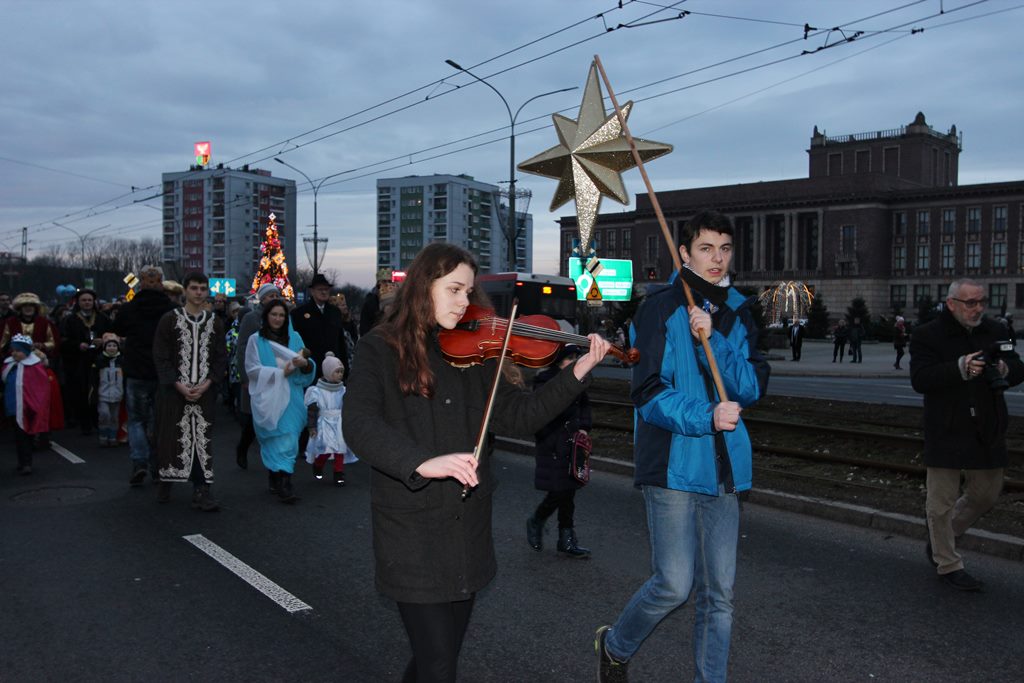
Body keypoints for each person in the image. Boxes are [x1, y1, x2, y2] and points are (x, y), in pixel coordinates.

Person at [343, 242, 611, 683]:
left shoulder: (476, 352)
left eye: (468, 292)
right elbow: (359, 424)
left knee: (436, 659)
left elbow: (520, 415)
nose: (463, 301)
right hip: (411, 532)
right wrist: (423, 462)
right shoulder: (381, 348)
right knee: (438, 664)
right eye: (453, 289)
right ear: (423, 287)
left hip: (466, 530)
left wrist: (577, 372)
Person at [595, 210, 769, 683]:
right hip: (672, 463)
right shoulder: (660, 307)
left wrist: (716, 340)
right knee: (673, 584)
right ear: (685, 253)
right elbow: (648, 393)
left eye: (725, 248)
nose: (717, 258)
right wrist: (706, 416)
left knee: (720, 595)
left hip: (724, 468)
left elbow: (751, 387)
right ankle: (615, 645)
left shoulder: (738, 310)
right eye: (706, 248)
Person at [910, 278, 1024, 592]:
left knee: (986, 494)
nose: (978, 308)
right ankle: (948, 562)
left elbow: (1018, 365)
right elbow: (921, 378)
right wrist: (960, 368)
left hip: (987, 426)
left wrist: (1005, 370)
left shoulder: (996, 330)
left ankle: (942, 536)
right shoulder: (927, 334)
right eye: (970, 303)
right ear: (951, 304)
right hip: (946, 427)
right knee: (940, 503)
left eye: (981, 302)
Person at [152, 273, 226, 510]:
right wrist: (177, 384)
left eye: (203, 288)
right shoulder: (169, 320)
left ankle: (201, 489)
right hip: (174, 392)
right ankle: (166, 479)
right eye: (194, 288)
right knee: (170, 435)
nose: (199, 292)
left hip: (204, 392)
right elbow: (161, 356)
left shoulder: (215, 322)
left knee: (202, 439)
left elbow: (220, 357)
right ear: (185, 290)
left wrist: (208, 383)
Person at [111, 265, 177, 485]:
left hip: (136, 371)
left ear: (140, 283)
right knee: (159, 421)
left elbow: (118, 329)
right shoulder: (171, 309)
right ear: (161, 282)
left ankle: (139, 462)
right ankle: (157, 465)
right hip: (162, 372)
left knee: (137, 420)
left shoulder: (130, 308)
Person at [525, 344, 593, 558]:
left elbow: (584, 406)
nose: (573, 361)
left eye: (576, 357)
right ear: (558, 360)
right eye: (569, 358)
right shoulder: (545, 381)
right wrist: (552, 440)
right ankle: (538, 521)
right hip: (553, 444)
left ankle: (566, 538)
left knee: (569, 490)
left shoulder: (577, 378)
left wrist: (584, 427)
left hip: (573, 444)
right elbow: (539, 414)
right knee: (560, 491)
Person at [245, 298, 315, 503]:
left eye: (282, 315)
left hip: (292, 397)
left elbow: (307, 364)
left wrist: (305, 365)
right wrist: (279, 373)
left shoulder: (295, 337)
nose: (277, 318)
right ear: (266, 316)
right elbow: (252, 369)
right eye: (274, 314)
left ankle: (285, 482)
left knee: (289, 438)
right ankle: (275, 474)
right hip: (267, 397)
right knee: (273, 438)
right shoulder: (255, 340)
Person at [235, 283, 281, 471]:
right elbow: (242, 347)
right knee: (254, 418)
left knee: (275, 417)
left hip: (276, 375)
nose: (274, 299)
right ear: (262, 299)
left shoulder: (281, 317)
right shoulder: (251, 318)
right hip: (256, 374)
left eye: (276, 295)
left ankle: (274, 461)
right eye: (270, 296)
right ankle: (243, 447)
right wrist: (245, 377)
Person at [60, 289, 111, 435]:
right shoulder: (69, 320)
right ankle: (84, 422)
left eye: (89, 300)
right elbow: (63, 340)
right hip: (78, 362)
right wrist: (77, 345)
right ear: (78, 302)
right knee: (80, 392)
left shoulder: (103, 318)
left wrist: (104, 340)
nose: (87, 303)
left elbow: (112, 335)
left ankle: (98, 421)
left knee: (100, 390)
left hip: (99, 359)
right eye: (84, 300)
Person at [304, 351, 355, 486]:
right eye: (336, 372)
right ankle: (318, 464)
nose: (340, 374)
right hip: (324, 423)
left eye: (341, 372)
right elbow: (312, 411)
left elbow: (348, 407)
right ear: (327, 372)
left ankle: (338, 473)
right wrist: (312, 426)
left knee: (340, 448)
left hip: (339, 423)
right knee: (325, 449)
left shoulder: (343, 390)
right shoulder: (317, 391)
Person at [3, 334, 52, 475]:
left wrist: (36, 405)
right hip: (13, 406)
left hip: (28, 407)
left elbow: (40, 388)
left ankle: (26, 463)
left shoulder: (34, 367)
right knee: (18, 435)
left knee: (25, 435)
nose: (14, 353)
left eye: (18, 351)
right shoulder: (9, 365)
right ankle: (22, 461)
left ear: (26, 351)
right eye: (13, 350)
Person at [90, 333, 125, 447]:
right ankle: (103, 436)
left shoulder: (121, 361)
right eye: (109, 345)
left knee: (114, 417)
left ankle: (112, 437)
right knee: (104, 414)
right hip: (103, 394)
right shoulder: (99, 361)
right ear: (105, 347)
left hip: (117, 394)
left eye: (114, 346)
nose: (112, 348)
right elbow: (94, 379)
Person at [359, 267, 398, 336]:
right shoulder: (369, 304)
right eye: (384, 282)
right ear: (378, 284)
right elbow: (364, 329)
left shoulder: (399, 302)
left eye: (389, 281)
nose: (387, 285)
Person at [330, 292, 359, 380]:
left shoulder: (350, 322)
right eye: (342, 305)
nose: (345, 307)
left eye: (345, 305)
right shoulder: (335, 323)